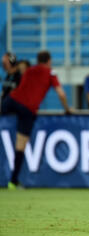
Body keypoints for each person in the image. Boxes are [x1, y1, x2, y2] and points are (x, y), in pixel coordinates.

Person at [1, 50, 71, 190]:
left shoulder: (29, 69)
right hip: (28, 109)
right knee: (20, 146)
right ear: (49, 61)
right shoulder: (51, 73)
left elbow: (13, 72)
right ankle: (13, 182)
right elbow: (61, 94)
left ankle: (13, 181)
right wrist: (67, 109)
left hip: (13, 100)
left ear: (38, 60)